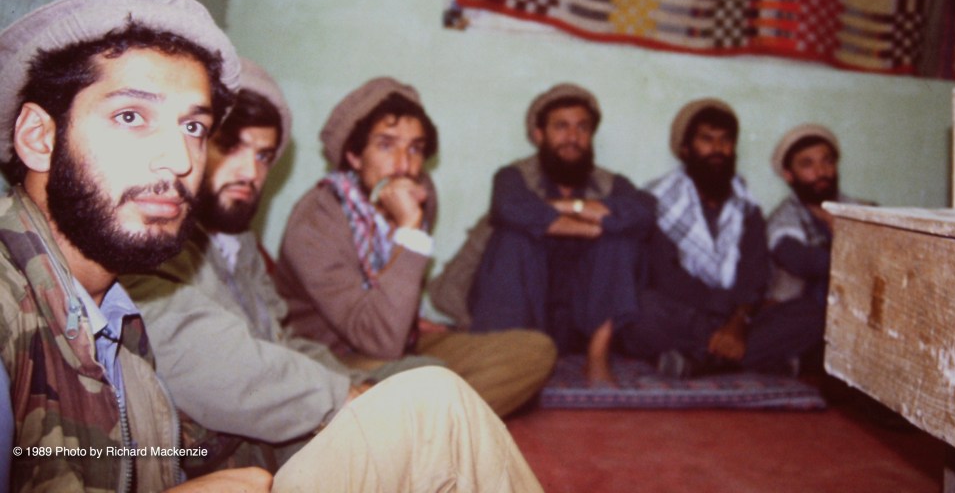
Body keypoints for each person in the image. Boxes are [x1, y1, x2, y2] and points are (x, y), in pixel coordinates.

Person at [0, 0, 542, 492]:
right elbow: (337, 347)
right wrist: (351, 396)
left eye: (193, 127)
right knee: (433, 404)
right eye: (130, 116)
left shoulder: (112, 305)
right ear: (38, 137)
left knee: (444, 388)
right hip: (291, 420)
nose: (178, 158)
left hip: (289, 417)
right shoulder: (17, 304)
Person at [122, 59, 430, 473]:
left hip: (305, 392)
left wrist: (358, 389)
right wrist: (343, 396)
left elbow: (280, 340)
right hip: (251, 442)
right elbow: (215, 361)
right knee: (434, 403)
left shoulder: (239, 242)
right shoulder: (152, 237)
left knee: (434, 384)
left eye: (264, 155)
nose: (250, 172)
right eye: (230, 146)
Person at [274, 77, 556, 417]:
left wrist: (411, 319)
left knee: (535, 350)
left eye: (415, 149)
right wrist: (409, 231)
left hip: (399, 341)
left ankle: (419, 421)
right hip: (335, 358)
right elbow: (378, 341)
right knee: (427, 374)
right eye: (386, 146)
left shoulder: (421, 195)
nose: (404, 165)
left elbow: (392, 291)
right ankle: (433, 419)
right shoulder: (316, 222)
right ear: (354, 155)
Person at [465, 83, 655, 382]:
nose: (573, 138)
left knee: (621, 238)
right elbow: (509, 208)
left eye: (582, 128)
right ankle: (504, 357)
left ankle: (597, 358)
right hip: (522, 308)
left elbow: (644, 211)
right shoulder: (514, 176)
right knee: (515, 235)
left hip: (583, 318)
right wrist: (591, 225)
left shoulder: (611, 183)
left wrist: (572, 208)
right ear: (539, 135)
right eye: (561, 127)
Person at [623, 98, 811, 377]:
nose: (718, 149)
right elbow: (665, 277)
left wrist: (739, 321)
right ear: (685, 149)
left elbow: (755, 275)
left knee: (810, 313)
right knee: (640, 308)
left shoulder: (747, 207)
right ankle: (745, 357)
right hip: (686, 312)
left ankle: (700, 362)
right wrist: (726, 321)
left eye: (726, 140)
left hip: (737, 316)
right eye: (707, 140)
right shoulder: (658, 201)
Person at [764, 124, 870, 373]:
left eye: (827, 161)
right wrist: (849, 245)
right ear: (789, 175)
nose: (821, 172)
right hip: (801, 317)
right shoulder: (782, 220)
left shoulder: (863, 210)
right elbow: (804, 261)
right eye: (808, 164)